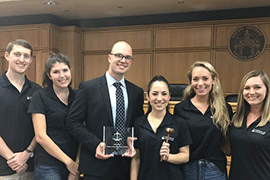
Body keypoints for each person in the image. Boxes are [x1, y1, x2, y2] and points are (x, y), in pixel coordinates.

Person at [66, 41, 144, 180]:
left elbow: (137, 124)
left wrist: (133, 141)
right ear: (109, 57)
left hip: (124, 167)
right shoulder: (88, 88)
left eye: (127, 57)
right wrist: (95, 144)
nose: (123, 60)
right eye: (119, 55)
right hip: (95, 165)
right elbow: (73, 123)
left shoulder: (136, 92)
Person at [174, 61, 233, 180]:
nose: (200, 83)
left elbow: (226, 141)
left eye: (205, 78)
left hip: (215, 169)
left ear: (214, 80)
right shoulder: (181, 108)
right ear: (191, 82)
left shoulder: (224, 108)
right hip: (188, 169)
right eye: (195, 79)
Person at [27, 54, 79, 180]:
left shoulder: (78, 96)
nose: (62, 75)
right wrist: (68, 162)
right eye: (56, 72)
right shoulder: (40, 96)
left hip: (74, 162)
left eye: (65, 70)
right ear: (49, 76)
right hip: (48, 164)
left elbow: (83, 131)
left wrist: (76, 164)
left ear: (70, 71)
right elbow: (40, 136)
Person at [130, 75, 192, 180]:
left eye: (164, 94)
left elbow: (185, 156)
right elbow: (136, 158)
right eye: (154, 94)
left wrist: (169, 157)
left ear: (169, 97)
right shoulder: (138, 123)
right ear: (148, 97)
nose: (159, 98)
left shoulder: (179, 122)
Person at [0, 39, 41, 179]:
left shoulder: (37, 91)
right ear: (7, 56)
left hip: (31, 167)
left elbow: (42, 129)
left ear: (30, 60)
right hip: (3, 170)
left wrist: (26, 154)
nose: (22, 59)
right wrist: (13, 159)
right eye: (17, 54)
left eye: (26, 56)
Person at [229, 70, 270, 180]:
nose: (251, 92)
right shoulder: (235, 118)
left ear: (267, 89)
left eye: (257, 87)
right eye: (247, 88)